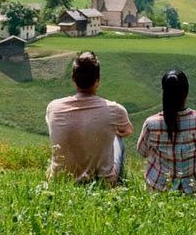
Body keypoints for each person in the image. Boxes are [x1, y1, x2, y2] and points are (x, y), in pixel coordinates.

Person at [46, 51, 133, 184]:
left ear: (73, 78)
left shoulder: (53, 107)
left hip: (61, 180)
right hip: (101, 182)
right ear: (97, 80)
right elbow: (127, 131)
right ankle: (117, 183)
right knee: (117, 138)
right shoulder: (115, 110)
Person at [137, 69, 196, 194]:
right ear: (186, 93)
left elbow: (142, 151)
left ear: (164, 94)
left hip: (160, 190)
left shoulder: (151, 123)